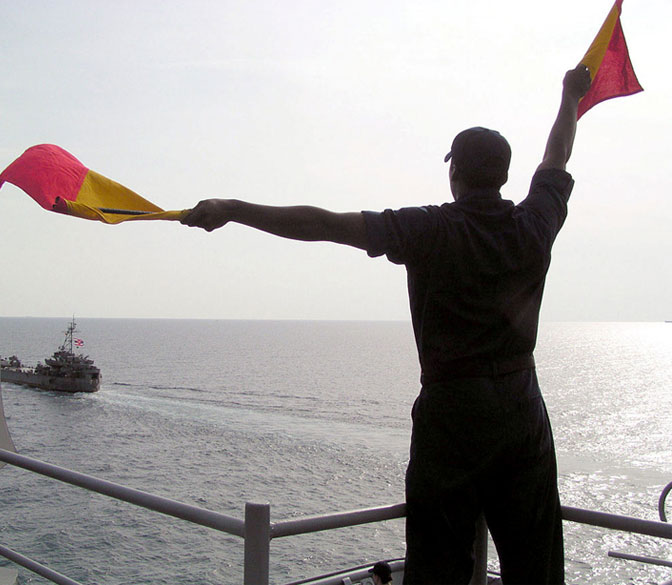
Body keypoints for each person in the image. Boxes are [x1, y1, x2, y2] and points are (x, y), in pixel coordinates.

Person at [182, 65, 592, 584]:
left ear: (455, 172)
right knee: (535, 567)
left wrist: (233, 208)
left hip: (453, 417)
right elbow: (556, 156)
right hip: (521, 409)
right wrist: (569, 96)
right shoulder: (535, 223)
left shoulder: (428, 229)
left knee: (439, 565)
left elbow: (323, 224)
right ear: (505, 176)